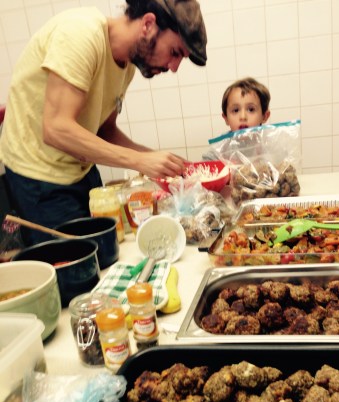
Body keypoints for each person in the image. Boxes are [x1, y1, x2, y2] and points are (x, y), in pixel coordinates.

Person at [0, 0, 207, 245]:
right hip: (39, 177)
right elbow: (56, 129)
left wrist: (160, 162)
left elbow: (104, 131)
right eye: (175, 52)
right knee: (77, 260)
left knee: (106, 249)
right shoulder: (80, 34)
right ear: (148, 24)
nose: (174, 67)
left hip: (80, 169)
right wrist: (140, 161)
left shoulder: (127, 66)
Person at [202, 77, 271, 161]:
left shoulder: (270, 144)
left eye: (251, 109)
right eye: (235, 110)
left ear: (264, 116)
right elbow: (206, 163)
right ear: (226, 118)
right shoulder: (220, 149)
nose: (243, 117)